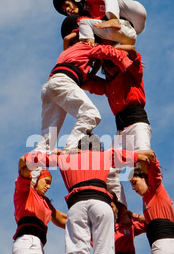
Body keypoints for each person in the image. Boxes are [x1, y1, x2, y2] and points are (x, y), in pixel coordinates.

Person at [26, 134, 154, 254]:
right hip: (101, 205)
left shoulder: (66, 158)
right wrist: (145, 155)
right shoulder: (105, 155)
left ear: (79, 148)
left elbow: (35, 159)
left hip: (77, 205)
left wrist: (52, 154)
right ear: (97, 148)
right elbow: (133, 156)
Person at [34, 20, 133, 156]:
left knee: (48, 137)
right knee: (91, 115)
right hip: (63, 82)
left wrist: (95, 71)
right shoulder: (86, 45)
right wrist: (125, 61)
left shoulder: (70, 53)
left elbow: (95, 83)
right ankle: (71, 147)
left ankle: (34, 167)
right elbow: (106, 51)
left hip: (50, 87)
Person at [83, 44, 151, 205]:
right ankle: (121, 211)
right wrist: (97, 62)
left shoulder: (130, 73)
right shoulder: (108, 85)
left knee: (144, 159)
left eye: (112, 62)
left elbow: (133, 49)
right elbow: (83, 81)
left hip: (137, 124)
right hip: (121, 131)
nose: (109, 66)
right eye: (106, 65)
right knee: (109, 171)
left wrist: (104, 50)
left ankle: (153, 199)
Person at [53, 0, 147, 46]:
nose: (68, 10)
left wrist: (112, 18)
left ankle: (114, 19)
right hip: (135, 29)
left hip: (134, 11)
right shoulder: (88, 19)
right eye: (66, 11)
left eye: (67, 5)